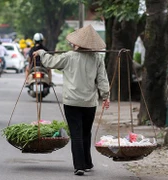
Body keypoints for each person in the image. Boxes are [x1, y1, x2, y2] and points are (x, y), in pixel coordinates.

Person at [33, 24, 110, 176]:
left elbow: (50, 62)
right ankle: (87, 163)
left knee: (76, 134)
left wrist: (42, 52)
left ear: (77, 43)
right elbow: (102, 79)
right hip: (89, 102)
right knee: (86, 132)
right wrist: (106, 96)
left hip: (72, 102)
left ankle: (79, 165)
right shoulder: (97, 58)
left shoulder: (68, 56)